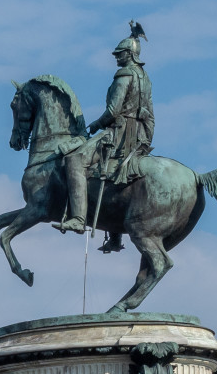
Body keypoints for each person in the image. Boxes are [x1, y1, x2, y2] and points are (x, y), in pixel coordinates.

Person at [54, 23, 155, 240]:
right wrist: (146, 139)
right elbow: (150, 112)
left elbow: (113, 110)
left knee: (74, 160)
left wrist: (96, 124)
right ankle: (115, 234)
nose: (116, 58)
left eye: (119, 54)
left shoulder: (124, 75)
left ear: (129, 54)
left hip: (118, 134)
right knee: (107, 170)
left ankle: (79, 219)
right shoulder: (144, 78)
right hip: (137, 135)